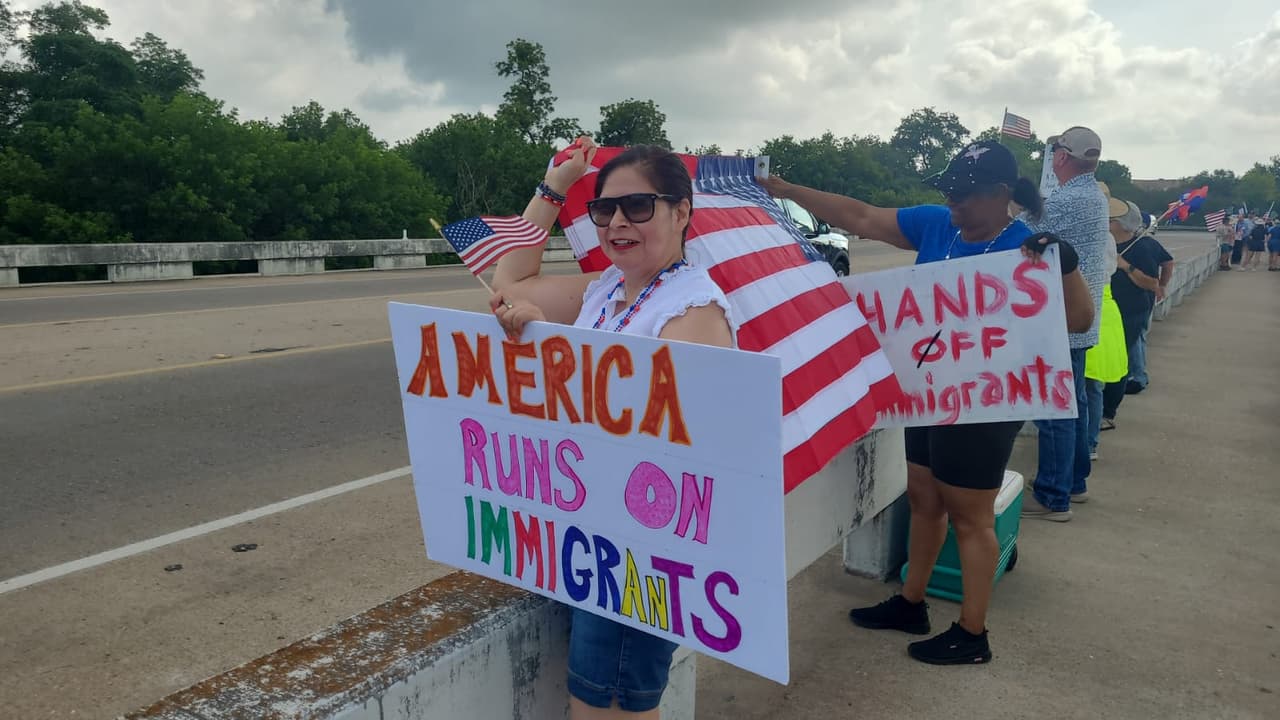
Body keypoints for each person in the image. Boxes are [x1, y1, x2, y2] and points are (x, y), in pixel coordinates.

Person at [759, 140, 1095, 666]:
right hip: (929, 394)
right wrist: (784, 191)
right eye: (948, 192)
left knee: (970, 515)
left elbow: (1078, 321)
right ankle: (911, 601)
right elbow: (862, 215)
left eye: (964, 195)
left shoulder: (1027, 246)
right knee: (923, 496)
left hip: (985, 402)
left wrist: (1067, 266)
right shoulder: (938, 225)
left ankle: (972, 631)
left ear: (1000, 194)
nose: (953, 204)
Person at [491, 139, 735, 719]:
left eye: (639, 207)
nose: (619, 222)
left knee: (607, 710)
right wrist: (554, 188)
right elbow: (506, 284)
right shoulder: (605, 288)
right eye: (605, 210)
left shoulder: (691, 310)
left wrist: (566, 360)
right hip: (594, 536)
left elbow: (680, 445)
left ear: (681, 211)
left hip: (640, 556)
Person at [1021, 126, 1111, 522]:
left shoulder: (1067, 201)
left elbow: (1021, 231)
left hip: (1061, 320)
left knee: (1054, 411)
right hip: (1081, 318)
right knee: (1070, 404)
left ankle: (1053, 495)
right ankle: (1073, 482)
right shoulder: (1094, 195)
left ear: (1060, 156)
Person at [1101, 199, 1171, 428]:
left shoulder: (1143, 246)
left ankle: (1108, 412)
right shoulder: (1106, 243)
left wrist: (1125, 266)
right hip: (1109, 309)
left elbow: (1153, 280)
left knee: (1120, 363)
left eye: (1111, 219)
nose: (1107, 222)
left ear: (1121, 224)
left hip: (1133, 310)